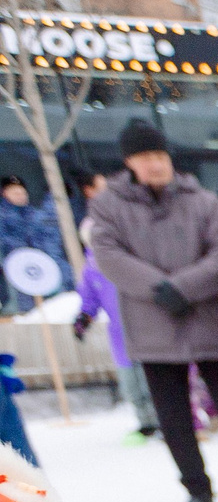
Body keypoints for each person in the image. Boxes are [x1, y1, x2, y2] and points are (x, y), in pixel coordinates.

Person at [86, 118, 218, 502]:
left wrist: (182, 288)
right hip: (153, 327)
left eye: (160, 155)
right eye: (145, 157)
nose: (155, 163)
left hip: (210, 319)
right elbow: (109, 257)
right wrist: (158, 289)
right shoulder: (109, 206)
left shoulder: (203, 201)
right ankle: (197, 490)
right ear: (130, 162)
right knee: (174, 416)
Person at [71, 173, 156, 444]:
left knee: (153, 378)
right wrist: (83, 317)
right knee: (131, 382)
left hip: (146, 326)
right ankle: (145, 422)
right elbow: (89, 298)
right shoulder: (93, 268)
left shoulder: (129, 257)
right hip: (119, 333)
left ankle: (164, 418)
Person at [0, 174, 64, 313]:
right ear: (5, 194)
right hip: (16, 278)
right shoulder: (3, 218)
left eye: (22, 192)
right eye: (15, 192)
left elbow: (52, 242)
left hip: (43, 273)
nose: (20, 195)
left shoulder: (37, 216)